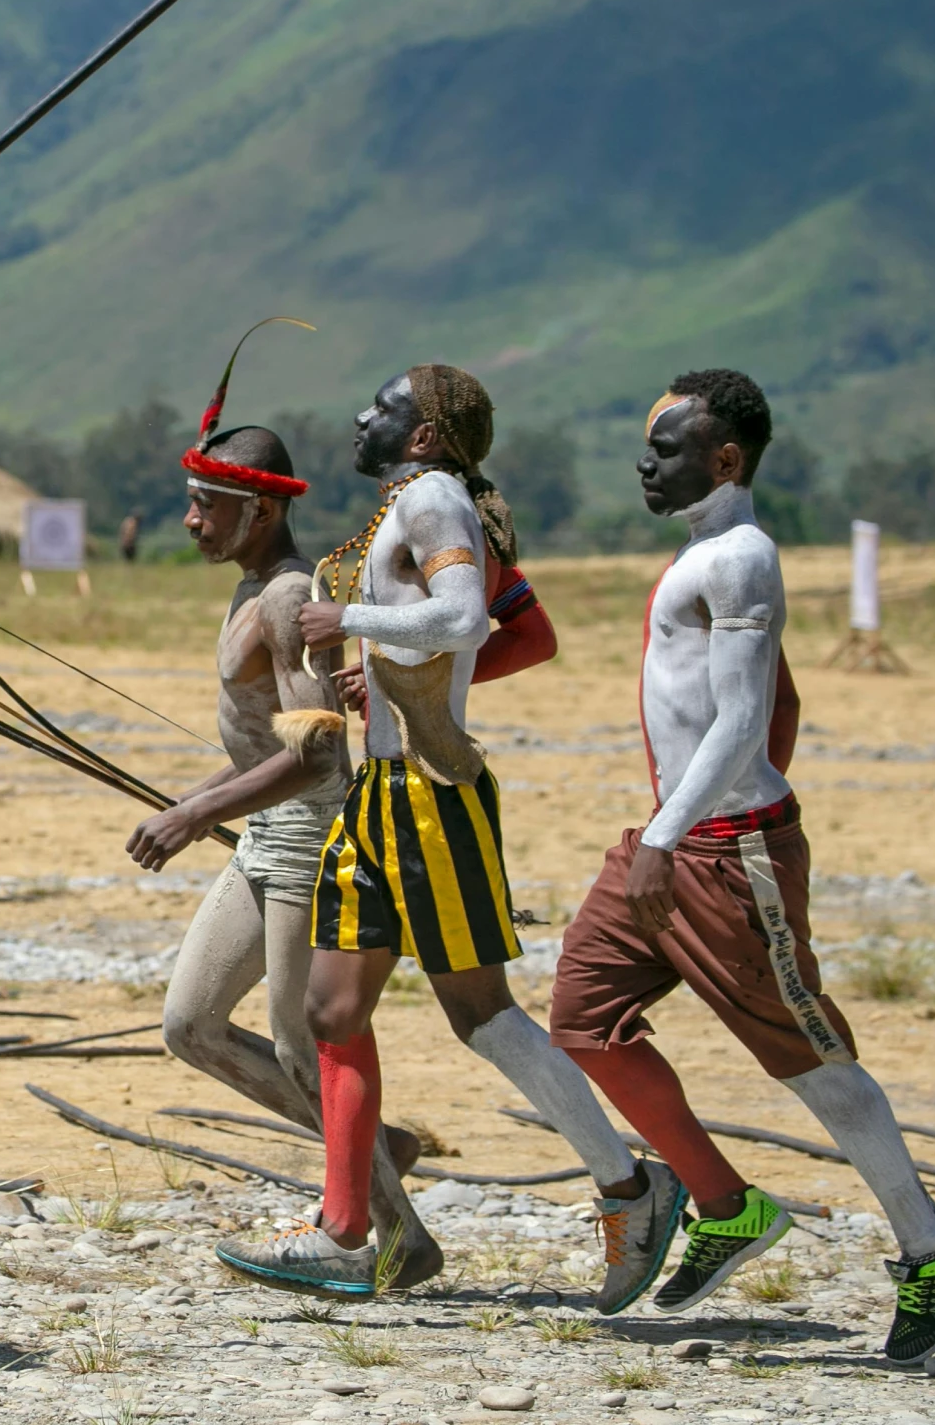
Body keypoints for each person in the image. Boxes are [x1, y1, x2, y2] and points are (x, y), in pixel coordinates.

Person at [550, 370, 935, 1361]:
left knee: (807, 1060)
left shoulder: (740, 556)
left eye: (665, 449)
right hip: (668, 838)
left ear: (726, 459)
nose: (644, 463)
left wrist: (670, 836)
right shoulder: (701, 551)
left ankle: (932, 1245)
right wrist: (660, 833)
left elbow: (746, 721)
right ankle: (723, 1203)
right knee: (581, 1015)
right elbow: (771, 705)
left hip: (723, 854)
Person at [214, 364, 670, 1308]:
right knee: (331, 1013)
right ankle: (346, 1231)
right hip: (376, 794)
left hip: (430, 798)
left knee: (484, 1018)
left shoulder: (433, 500)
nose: (358, 416)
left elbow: (465, 616)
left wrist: (354, 620)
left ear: (422, 434)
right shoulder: (410, 508)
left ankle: (632, 1185)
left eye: (380, 406)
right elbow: (489, 633)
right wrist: (385, 674)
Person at [126, 326, 439, 1288]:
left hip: (310, 835)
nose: (189, 521)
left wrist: (190, 811)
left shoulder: (287, 595)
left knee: (305, 1044)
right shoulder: (250, 586)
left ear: (261, 511)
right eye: (189, 501)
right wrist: (216, 805)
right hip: (264, 835)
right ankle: (370, 1142)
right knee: (191, 1026)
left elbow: (315, 749)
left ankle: (394, 1232)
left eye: (207, 506)